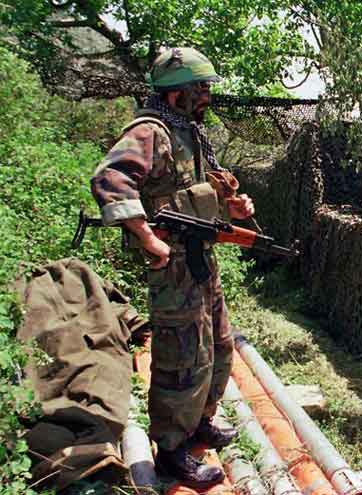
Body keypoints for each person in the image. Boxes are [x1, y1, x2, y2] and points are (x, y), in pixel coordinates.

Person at [90, 47, 254, 488]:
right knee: (182, 358)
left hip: (202, 260)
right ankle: (171, 451)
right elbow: (110, 179)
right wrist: (146, 236)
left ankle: (201, 422)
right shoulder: (150, 131)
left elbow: (207, 188)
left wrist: (234, 205)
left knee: (219, 347)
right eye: (200, 88)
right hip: (173, 266)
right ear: (176, 93)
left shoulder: (193, 134)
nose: (207, 96)